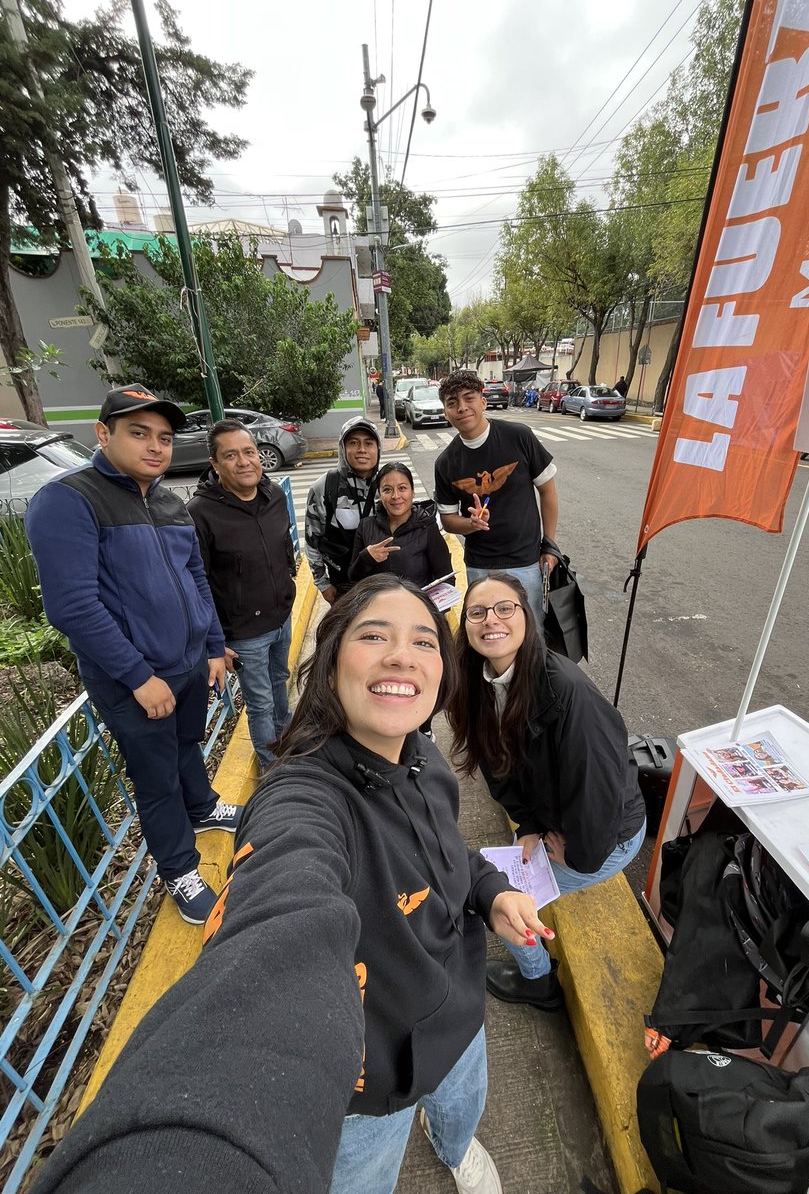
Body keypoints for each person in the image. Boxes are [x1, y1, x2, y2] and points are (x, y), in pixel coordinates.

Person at [27, 575, 552, 1194]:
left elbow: (441, 853)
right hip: (371, 1086)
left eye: (424, 642)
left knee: (463, 1108)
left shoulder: (423, 759)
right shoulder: (302, 798)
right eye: (374, 635)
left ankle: (455, 1145)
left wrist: (489, 892)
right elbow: (277, 938)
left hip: (459, 1014)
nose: (402, 655)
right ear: (330, 666)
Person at [25, 385, 240, 926]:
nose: (155, 447)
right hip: (133, 680)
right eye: (138, 433)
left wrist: (212, 646)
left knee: (188, 744)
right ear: (103, 434)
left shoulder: (169, 502)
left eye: (164, 437)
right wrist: (138, 676)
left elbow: (195, 577)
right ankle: (180, 867)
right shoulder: (69, 500)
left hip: (190, 664)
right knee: (156, 777)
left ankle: (204, 807)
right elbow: (72, 607)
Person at [447, 573, 647, 1013]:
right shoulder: (479, 681)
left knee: (492, 897)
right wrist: (531, 824)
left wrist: (579, 855)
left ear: (527, 617)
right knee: (486, 883)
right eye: (476, 612)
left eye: (505, 608)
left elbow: (599, 791)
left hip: (606, 837)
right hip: (556, 819)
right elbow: (497, 766)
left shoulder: (566, 692)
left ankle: (537, 981)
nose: (490, 620)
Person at [187, 421, 297, 770]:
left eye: (248, 452)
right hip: (244, 631)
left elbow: (282, 546)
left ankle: (287, 741)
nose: (244, 461)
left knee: (281, 681)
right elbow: (195, 581)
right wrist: (214, 640)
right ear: (215, 464)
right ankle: (271, 768)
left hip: (281, 616)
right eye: (230, 455)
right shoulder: (200, 513)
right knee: (260, 701)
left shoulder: (274, 495)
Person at [434, 370, 560, 623]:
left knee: (529, 635)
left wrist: (550, 544)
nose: (461, 407)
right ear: (446, 412)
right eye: (452, 403)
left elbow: (547, 491)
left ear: (483, 401)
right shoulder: (446, 462)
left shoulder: (519, 437)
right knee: (487, 634)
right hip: (480, 565)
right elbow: (448, 519)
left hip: (525, 561)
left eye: (469, 398)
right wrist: (470, 524)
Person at [305, 416, 381, 603]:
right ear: (343, 448)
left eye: (368, 443)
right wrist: (323, 584)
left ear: (378, 449)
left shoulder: (387, 484)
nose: (362, 450)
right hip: (343, 589)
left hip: (383, 586)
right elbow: (312, 540)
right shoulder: (324, 487)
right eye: (353, 443)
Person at [347, 461, 452, 590]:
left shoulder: (427, 527)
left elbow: (447, 580)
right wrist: (366, 558)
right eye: (387, 490)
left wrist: (429, 607)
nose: (395, 496)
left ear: (412, 492)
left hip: (415, 607)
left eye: (402, 488)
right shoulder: (366, 526)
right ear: (379, 494)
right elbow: (353, 578)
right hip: (379, 607)